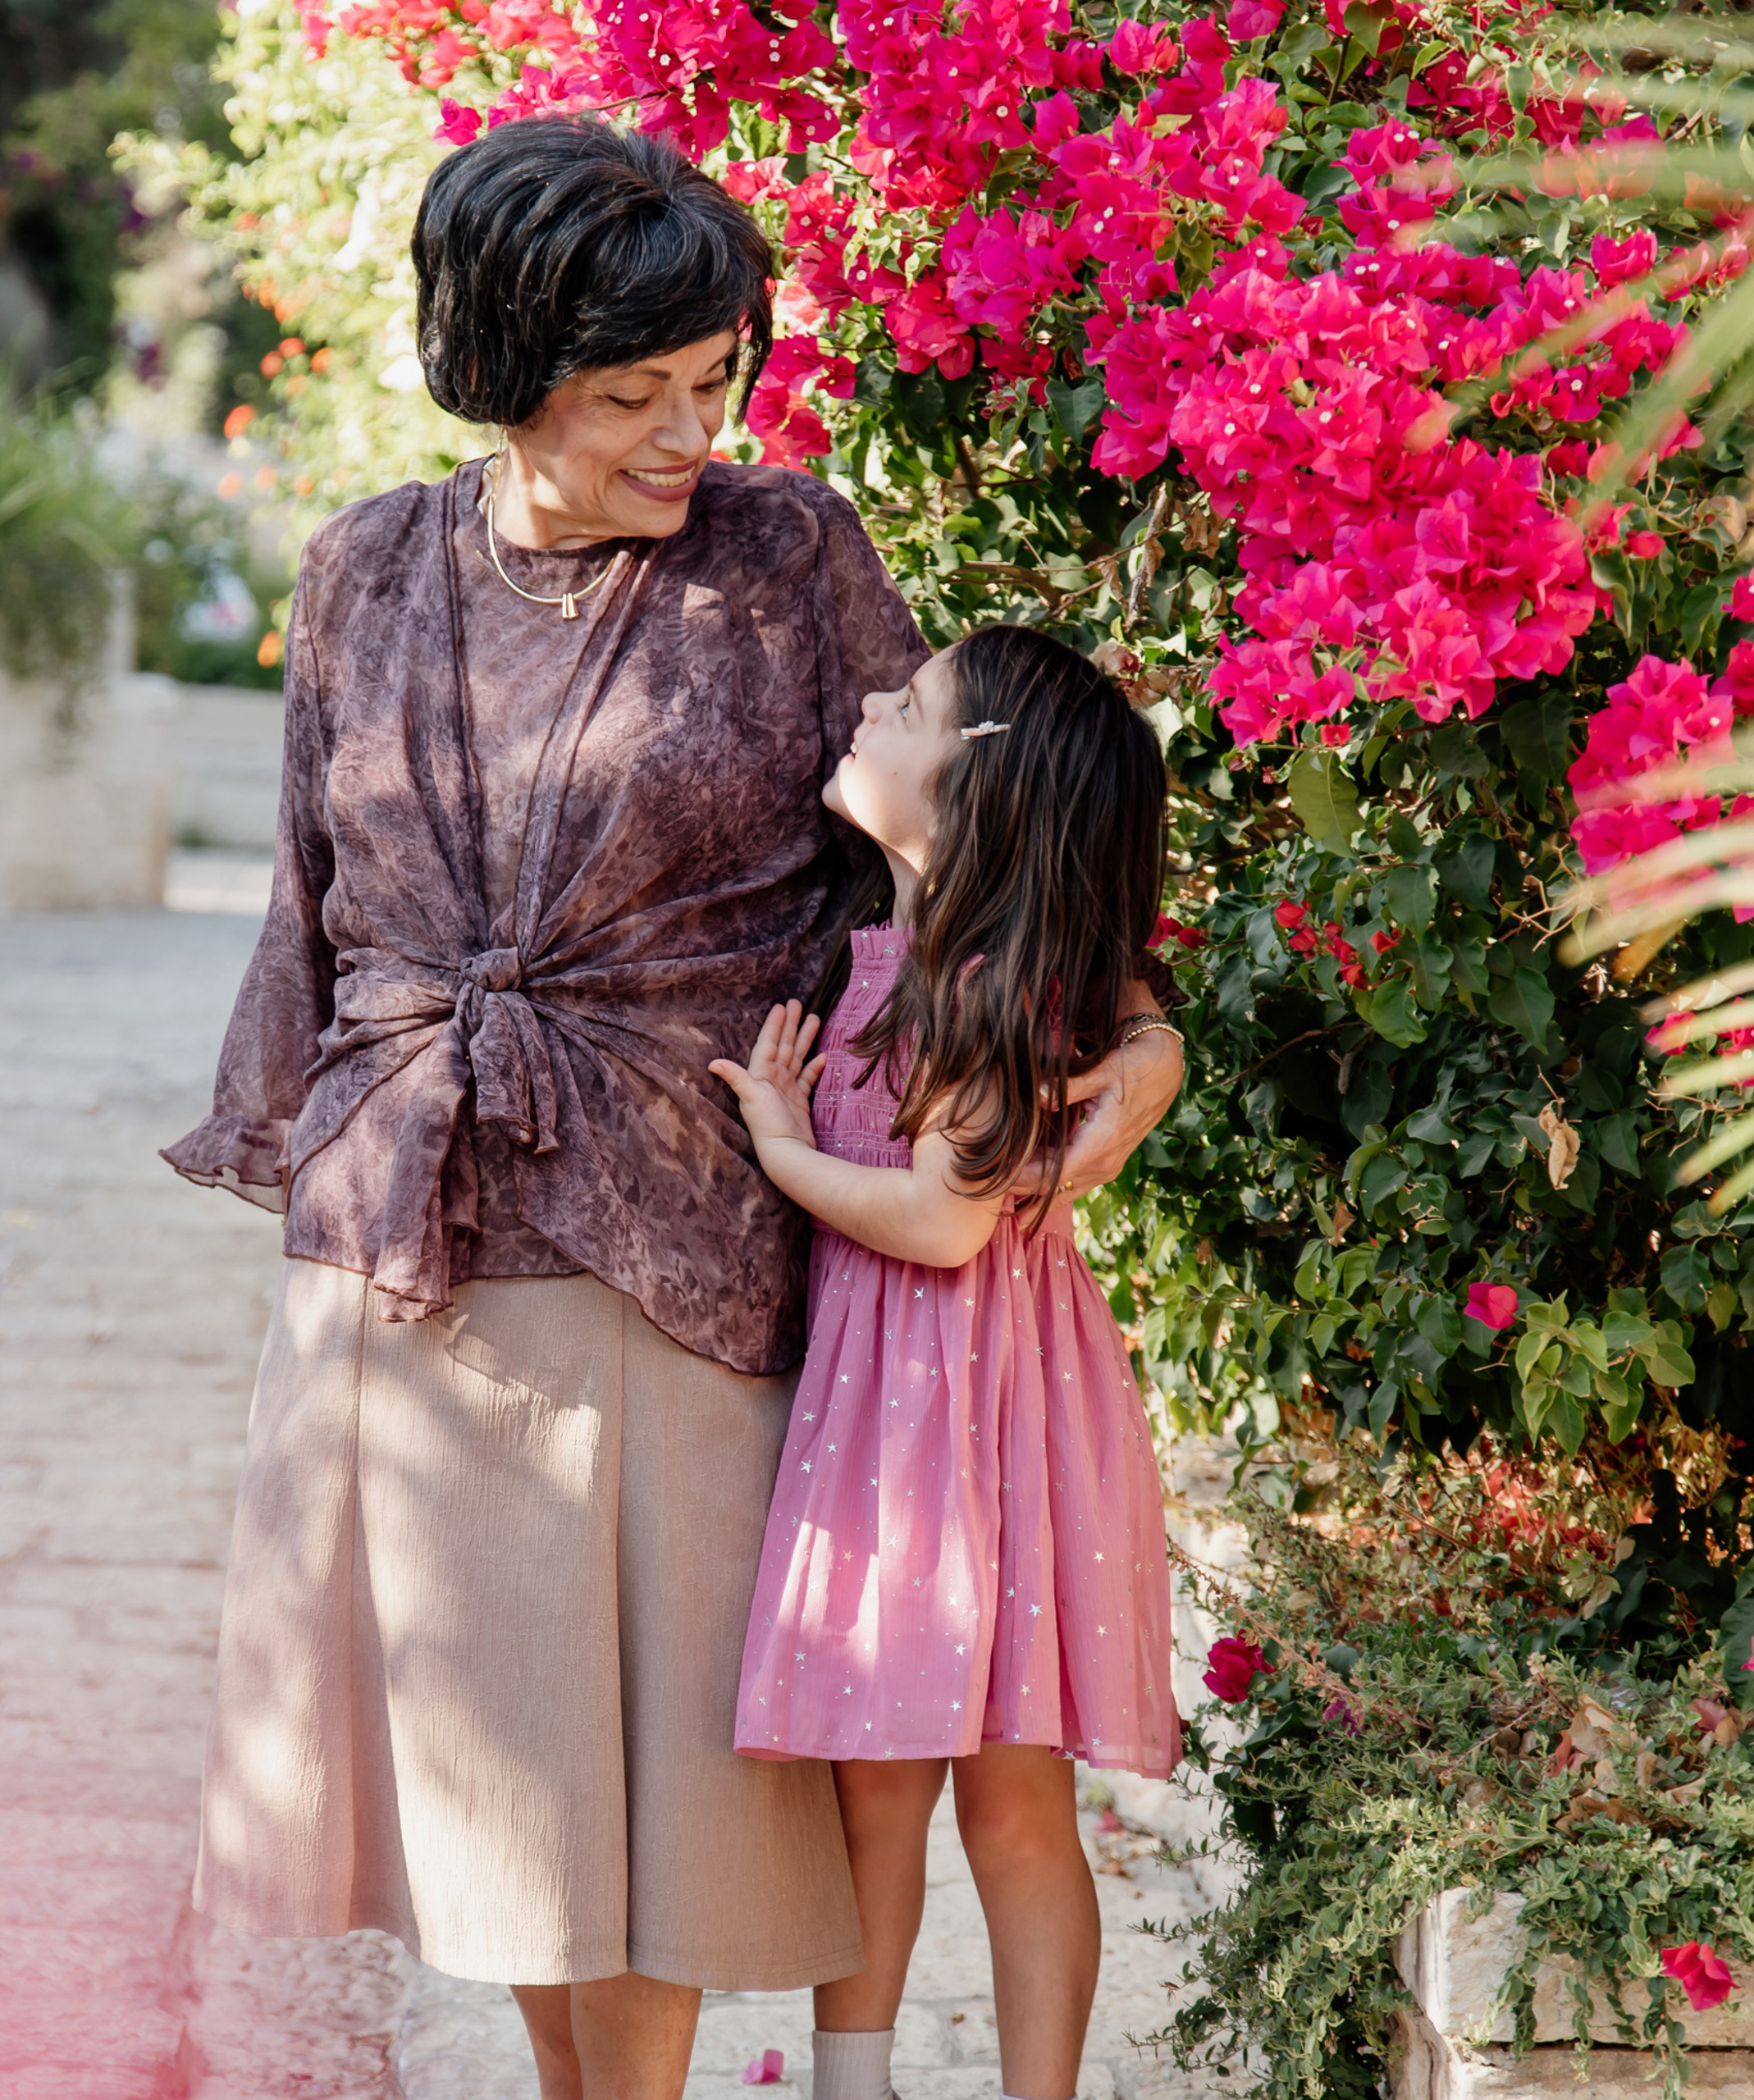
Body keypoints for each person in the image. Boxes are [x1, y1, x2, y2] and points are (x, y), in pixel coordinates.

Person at [162, 115, 1185, 2100]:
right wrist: (307, 1177)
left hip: (683, 1242)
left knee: (652, 1826)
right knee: (514, 1811)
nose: (685, 430)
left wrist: (1131, 1046)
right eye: (630, 392)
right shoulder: (365, 568)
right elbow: (306, 896)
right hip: (416, 1240)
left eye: (713, 377)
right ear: (494, 370)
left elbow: (982, 849)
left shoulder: (784, 553)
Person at [710, 628, 1182, 2100]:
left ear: (982, 790)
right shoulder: (932, 961)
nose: (867, 704)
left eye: (906, 706)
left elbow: (936, 1223)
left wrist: (785, 1155)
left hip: (952, 1434)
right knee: (944, 1798)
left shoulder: (980, 987)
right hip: (952, 1422)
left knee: (974, 1803)